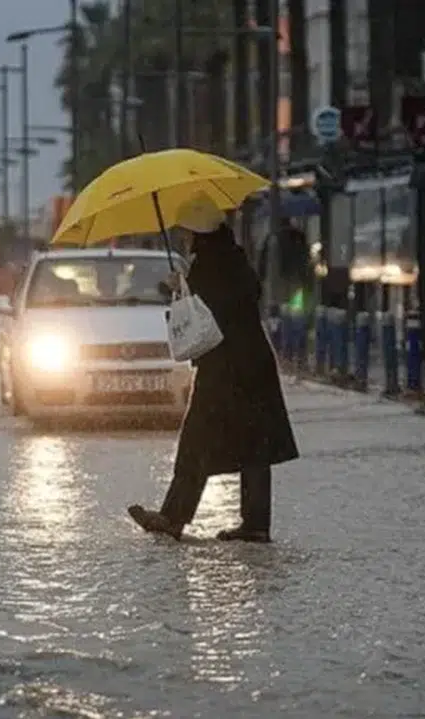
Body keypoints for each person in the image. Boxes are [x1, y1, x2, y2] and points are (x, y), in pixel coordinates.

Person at [128, 195, 300, 542]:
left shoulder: (210, 265)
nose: (183, 239)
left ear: (197, 233)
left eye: (186, 233)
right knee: (255, 444)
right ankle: (255, 525)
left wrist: (185, 287)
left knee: (196, 439)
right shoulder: (233, 259)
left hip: (226, 367)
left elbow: (210, 313)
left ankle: (174, 517)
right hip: (251, 364)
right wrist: (189, 284)